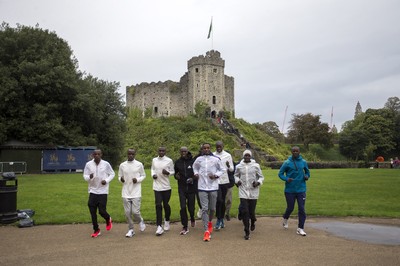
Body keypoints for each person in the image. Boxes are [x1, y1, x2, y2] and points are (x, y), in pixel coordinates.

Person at [193, 143, 225, 242]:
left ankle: (210, 221)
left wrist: (215, 175)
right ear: (202, 149)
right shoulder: (198, 159)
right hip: (202, 187)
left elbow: (223, 169)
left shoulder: (215, 159)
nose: (206, 149)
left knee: (212, 208)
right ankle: (206, 230)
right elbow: (195, 167)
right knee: (204, 209)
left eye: (208, 148)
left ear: (210, 149)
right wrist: (196, 173)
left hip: (213, 187)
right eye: (204, 148)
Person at [278, 146, 310, 236]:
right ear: (291, 152)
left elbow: (307, 172)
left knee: (302, 209)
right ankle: (285, 218)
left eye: (297, 151)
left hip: (301, 189)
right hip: (290, 189)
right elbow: (280, 174)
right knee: (290, 207)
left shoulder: (303, 162)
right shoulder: (287, 163)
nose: (295, 152)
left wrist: (307, 176)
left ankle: (300, 228)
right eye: (294, 151)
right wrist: (286, 179)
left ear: (299, 152)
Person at [83, 149, 115, 238]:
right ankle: (96, 229)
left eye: (98, 154)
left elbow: (112, 174)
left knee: (101, 211)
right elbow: (85, 176)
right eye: (95, 154)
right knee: (92, 211)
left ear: (101, 155)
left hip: (103, 191)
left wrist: (106, 180)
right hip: (93, 190)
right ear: (93, 155)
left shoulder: (106, 164)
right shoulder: (88, 164)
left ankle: (108, 218)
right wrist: (89, 177)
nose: (97, 155)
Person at [234, 150, 264, 240]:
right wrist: (237, 181)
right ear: (243, 156)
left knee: (251, 212)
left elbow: (261, 177)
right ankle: (246, 231)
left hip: (253, 191)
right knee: (244, 211)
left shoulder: (256, 166)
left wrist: (258, 182)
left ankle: (253, 220)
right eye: (245, 155)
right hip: (243, 190)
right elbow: (235, 175)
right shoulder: (239, 166)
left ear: (250, 156)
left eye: (248, 155)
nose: (247, 157)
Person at [118, 148, 146, 238]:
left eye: (132, 154)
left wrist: (137, 180)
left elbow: (143, 175)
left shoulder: (139, 164)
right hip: (126, 191)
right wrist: (121, 179)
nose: (130, 155)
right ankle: (131, 229)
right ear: (127, 154)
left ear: (135, 155)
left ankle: (140, 220)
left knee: (135, 212)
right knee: (127, 212)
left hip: (136, 191)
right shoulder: (122, 165)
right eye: (129, 154)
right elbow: (119, 176)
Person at [151, 146, 175, 236]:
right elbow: (152, 169)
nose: (161, 152)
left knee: (166, 204)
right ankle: (159, 226)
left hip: (166, 187)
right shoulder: (154, 160)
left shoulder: (169, 160)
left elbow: (173, 171)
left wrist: (168, 173)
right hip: (157, 186)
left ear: (165, 151)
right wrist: (153, 175)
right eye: (160, 150)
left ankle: (167, 219)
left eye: (163, 151)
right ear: (158, 151)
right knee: (158, 205)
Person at [174, 146, 196, 235]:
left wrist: (192, 179)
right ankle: (185, 226)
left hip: (191, 188)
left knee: (191, 208)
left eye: (185, 151)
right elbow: (175, 173)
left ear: (187, 151)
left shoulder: (193, 162)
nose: (183, 153)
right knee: (183, 207)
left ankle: (192, 217)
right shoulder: (178, 162)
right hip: (182, 188)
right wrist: (176, 176)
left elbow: (197, 173)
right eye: (182, 151)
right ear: (180, 152)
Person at [213, 141, 234, 230]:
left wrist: (229, 166)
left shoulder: (227, 155)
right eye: (217, 146)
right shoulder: (213, 155)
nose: (218, 148)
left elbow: (232, 169)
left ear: (223, 146)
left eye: (220, 146)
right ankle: (219, 219)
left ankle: (221, 219)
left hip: (225, 181)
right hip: (216, 181)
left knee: (223, 201)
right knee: (219, 200)